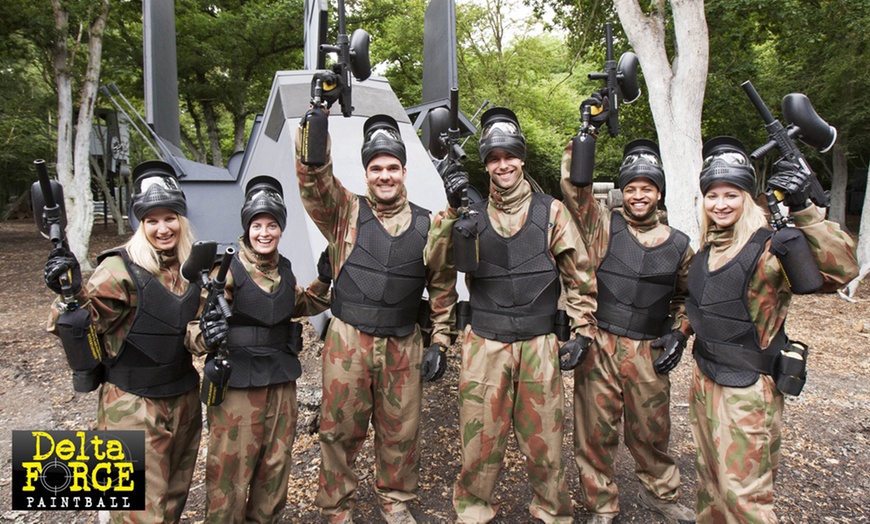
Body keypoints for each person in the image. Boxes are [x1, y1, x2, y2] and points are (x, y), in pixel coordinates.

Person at [295, 109, 456, 524]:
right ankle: (335, 508)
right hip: (348, 340)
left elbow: (441, 286)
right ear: (366, 172)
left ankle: (396, 501)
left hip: (403, 343)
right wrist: (316, 120)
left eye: (392, 167)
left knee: (401, 432)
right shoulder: (343, 213)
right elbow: (313, 180)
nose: (384, 175)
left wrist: (440, 340)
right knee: (339, 430)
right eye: (376, 167)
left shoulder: (429, 224)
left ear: (404, 170)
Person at [688, 137, 857, 523]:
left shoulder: (770, 248)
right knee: (710, 485)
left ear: (748, 197)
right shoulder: (709, 247)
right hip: (705, 382)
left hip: (747, 390)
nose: (721, 204)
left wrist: (805, 211)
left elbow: (840, 270)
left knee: (743, 494)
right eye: (712, 195)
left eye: (731, 194)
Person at [444, 107, 598, 524]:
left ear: (522, 158)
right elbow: (437, 260)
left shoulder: (552, 212)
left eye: (509, 156)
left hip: (538, 345)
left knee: (546, 443)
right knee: (478, 442)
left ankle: (553, 513)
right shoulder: (471, 213)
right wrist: (453, 207)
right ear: (486, 164)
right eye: (493, 158)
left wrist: (583, 330)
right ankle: (474, 511)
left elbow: (579, 274)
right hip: (486, 344)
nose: (502, 165)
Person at [45, 160, 202, 523]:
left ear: (182, 219)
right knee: (135, 513)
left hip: (183, 400)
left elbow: (195, 328)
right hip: (132, 406)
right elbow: (71, 322)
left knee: (173, 501)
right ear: (139, 223)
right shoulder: (119, 269)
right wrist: (66, 293)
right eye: (152, 220)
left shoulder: (192, 268)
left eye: (170, 217)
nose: (163, 229)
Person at [560, 131, 696, 524]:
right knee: (594, 433)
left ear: (659, 193)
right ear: (622, 192)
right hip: (600, 344)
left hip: (647, 353)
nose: (638, 196)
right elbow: (573, 187)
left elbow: (688, 298)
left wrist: (679, 332)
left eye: (647, 188)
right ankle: (601, 504)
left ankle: (662, 496)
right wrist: (584, 134)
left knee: (651, 432)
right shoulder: (602, 226)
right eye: (631, 188)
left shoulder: (679, 245)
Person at [186, 175, 332, 523]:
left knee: (275, 468)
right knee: (230, 473)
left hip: (280, 383)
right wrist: (209, 333)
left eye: (272, 225)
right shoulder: (228, 270)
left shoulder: (283, 269)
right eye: (257, 225)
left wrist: (324, 279)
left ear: (281, 228)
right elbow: (193, 332)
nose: (264, 233)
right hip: (237, 385)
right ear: (246, 227)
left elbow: (300, 303)